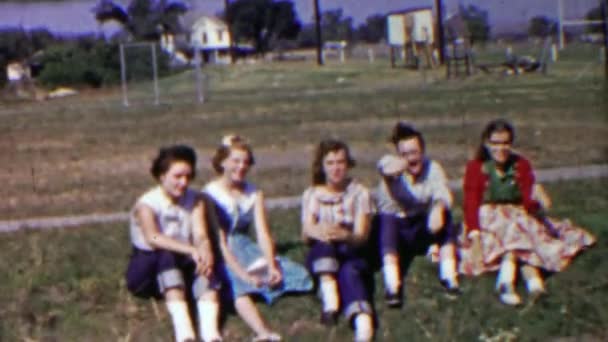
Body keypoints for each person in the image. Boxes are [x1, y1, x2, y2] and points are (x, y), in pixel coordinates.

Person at [459, 119, 596, 305]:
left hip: (516, 214)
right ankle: (511, 282)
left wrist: (537, 200)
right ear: (487, 144)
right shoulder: (476, 167)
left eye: (505, 143)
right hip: (489, 217)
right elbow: (471, 203)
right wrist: (474, 237)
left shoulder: (521, 165)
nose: (501, 148)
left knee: (525, 238)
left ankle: (531, 285)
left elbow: (527, 201)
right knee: (513, 232)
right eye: (496, 143)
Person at [203, 135, 313, 342]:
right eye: (236, 161)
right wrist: (242, 274)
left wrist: (272, 265)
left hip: (244, 245)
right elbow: (220, 241)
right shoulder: (210, 194)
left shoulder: (254, 192)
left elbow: (263, 232)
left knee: (296, 275)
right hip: (222, 249)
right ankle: (262, 332)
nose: (241, 166)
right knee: (238, 285)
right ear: (223, 162)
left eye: (245, 162)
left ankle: (260, 284)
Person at [125, 145, 222, 342]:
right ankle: (184, 331)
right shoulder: (147, 203)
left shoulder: (195, 200)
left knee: (206, 266)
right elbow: (153, 238)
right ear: (162, 176)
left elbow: (200, 233)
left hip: (183, 262)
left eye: (188, 176)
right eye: (177, 176)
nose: (183, 182)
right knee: (165, 255)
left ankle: (210, 333)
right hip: (147, 268)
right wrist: (191, 249)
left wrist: (205, 250)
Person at [374, 122, 460, 308]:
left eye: (415, 153)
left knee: (446, 217)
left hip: (422, 225)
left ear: (423, 152)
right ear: (398, 155)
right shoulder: (390, 164)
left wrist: (439, 207)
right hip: (397, 227)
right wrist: (400, 164)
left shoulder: (433, 168)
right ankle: (392, 286)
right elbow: (386, 168)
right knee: (386, 221)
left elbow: (442, 192)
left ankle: (449, 277)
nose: (411, 159)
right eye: (405, 154)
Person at [301, 139, 375, 342]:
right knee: (324, 246)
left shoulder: (360, 193)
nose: (336, 169)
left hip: (350, 251)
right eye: (330, 163)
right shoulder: (312, 194)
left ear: (348, 164)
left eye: (340, 162)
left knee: (349, 271)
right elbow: (305, 235)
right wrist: (319, 231)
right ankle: (331, 301)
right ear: (322, 167)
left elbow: (362, 236)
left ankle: (363, 324)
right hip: (322, 255)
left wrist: (346, 236)